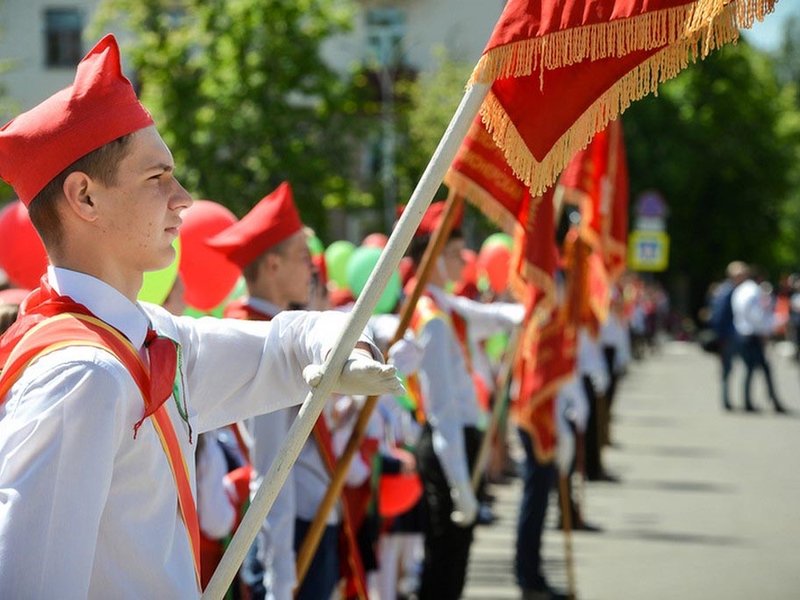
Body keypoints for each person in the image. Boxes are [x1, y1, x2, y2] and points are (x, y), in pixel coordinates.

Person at [0, 35, 402, 598]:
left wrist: (341, 345)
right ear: (85, 198)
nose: (183, 196)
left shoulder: (149, 335)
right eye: (156, 177)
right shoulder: (81, 375)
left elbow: (280, 345)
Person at [404, 202, 481, 600]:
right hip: (447, 445)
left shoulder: (446, 305)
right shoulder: (431, 316)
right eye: (454, 252)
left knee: (455, 558)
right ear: (431, 257)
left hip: (457, 442)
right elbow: (443, 412)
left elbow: (491, 316)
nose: (463, 260)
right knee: (445, 563)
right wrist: (460, 483)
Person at [731, 265, 787, 413]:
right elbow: (757, 315)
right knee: (761, 369)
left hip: (743, 333)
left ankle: (751, 401)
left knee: (751, 369)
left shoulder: (740, 290)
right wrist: (767, 330)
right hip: (753, 335)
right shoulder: (753, 290)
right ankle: (770, 401)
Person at [709, 261, 748, 411]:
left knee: (729, 368)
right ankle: (726, 400)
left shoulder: (726, 289)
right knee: (728, 367)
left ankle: (728, 399)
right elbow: (719, 316)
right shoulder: (728, 291)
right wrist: (722, 336)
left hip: (729, 334)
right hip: (728, 335)